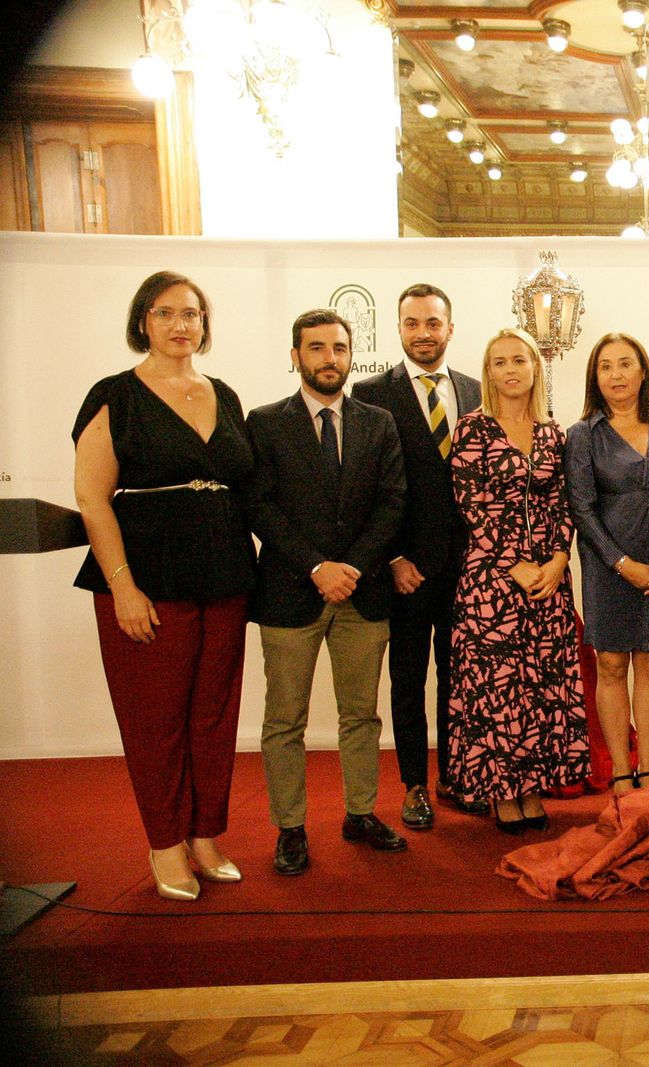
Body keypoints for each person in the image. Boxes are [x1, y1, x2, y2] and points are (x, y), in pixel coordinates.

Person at [72, 270, 256, 901]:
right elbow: (93, 499)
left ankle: (206, 835)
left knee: (213, 715)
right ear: (143, 322)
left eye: (193, 314)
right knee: (156, 721)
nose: (182, 324)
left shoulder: (224, 394)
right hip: (146, 579)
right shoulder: (114, 395)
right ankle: (165, 844)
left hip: (225, 574)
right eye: (166, 312)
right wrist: (123, 586)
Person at [247, 309, 408, 876]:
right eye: (315, 349)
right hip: (291, 594)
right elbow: (259, 505)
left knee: (361, 716)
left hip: (361, 596)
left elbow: (393, 503)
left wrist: (351, 569)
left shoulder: (378, 421)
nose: (328, 359)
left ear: (350, 355)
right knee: (284, 720)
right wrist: (317, 566)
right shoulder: (264, 423)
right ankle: (290, 827)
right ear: (296, 357)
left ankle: (359, 814)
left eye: (338, 348)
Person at [351, 283, 486, 829]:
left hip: (471, 568)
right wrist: (391, 558)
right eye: (412, 324)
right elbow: (361, 488)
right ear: (399, 329)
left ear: (450, 328)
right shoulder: (369, 394)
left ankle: (456, 776)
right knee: (407, 679)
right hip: (405, 568)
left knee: (462, 676)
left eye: (433, 323)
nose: (423, 333)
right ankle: (413, 785)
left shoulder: (479, 391)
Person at [450, 328, 590, 831]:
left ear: (534, 368)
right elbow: (471, 505)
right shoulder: (472, 429)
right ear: (488, 373)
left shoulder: (554, 433)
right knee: (498, 689)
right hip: (491, 581)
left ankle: (532, 787)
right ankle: (502, 792)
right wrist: (515, 564)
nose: (509, 370)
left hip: (549, 581)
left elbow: (563, 503)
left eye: (518, 360)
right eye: (498, 362)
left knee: (540, 687)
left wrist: (557, 559)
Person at [565, 332, 649, 795]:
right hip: (607, 564)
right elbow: (581, 510)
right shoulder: (582, 434)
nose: (616, 374)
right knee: (611, 665)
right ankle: (619, 772)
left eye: (625, 364)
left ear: (643, 371)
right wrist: (620, 563)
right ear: (595, 376)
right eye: (605, 366)